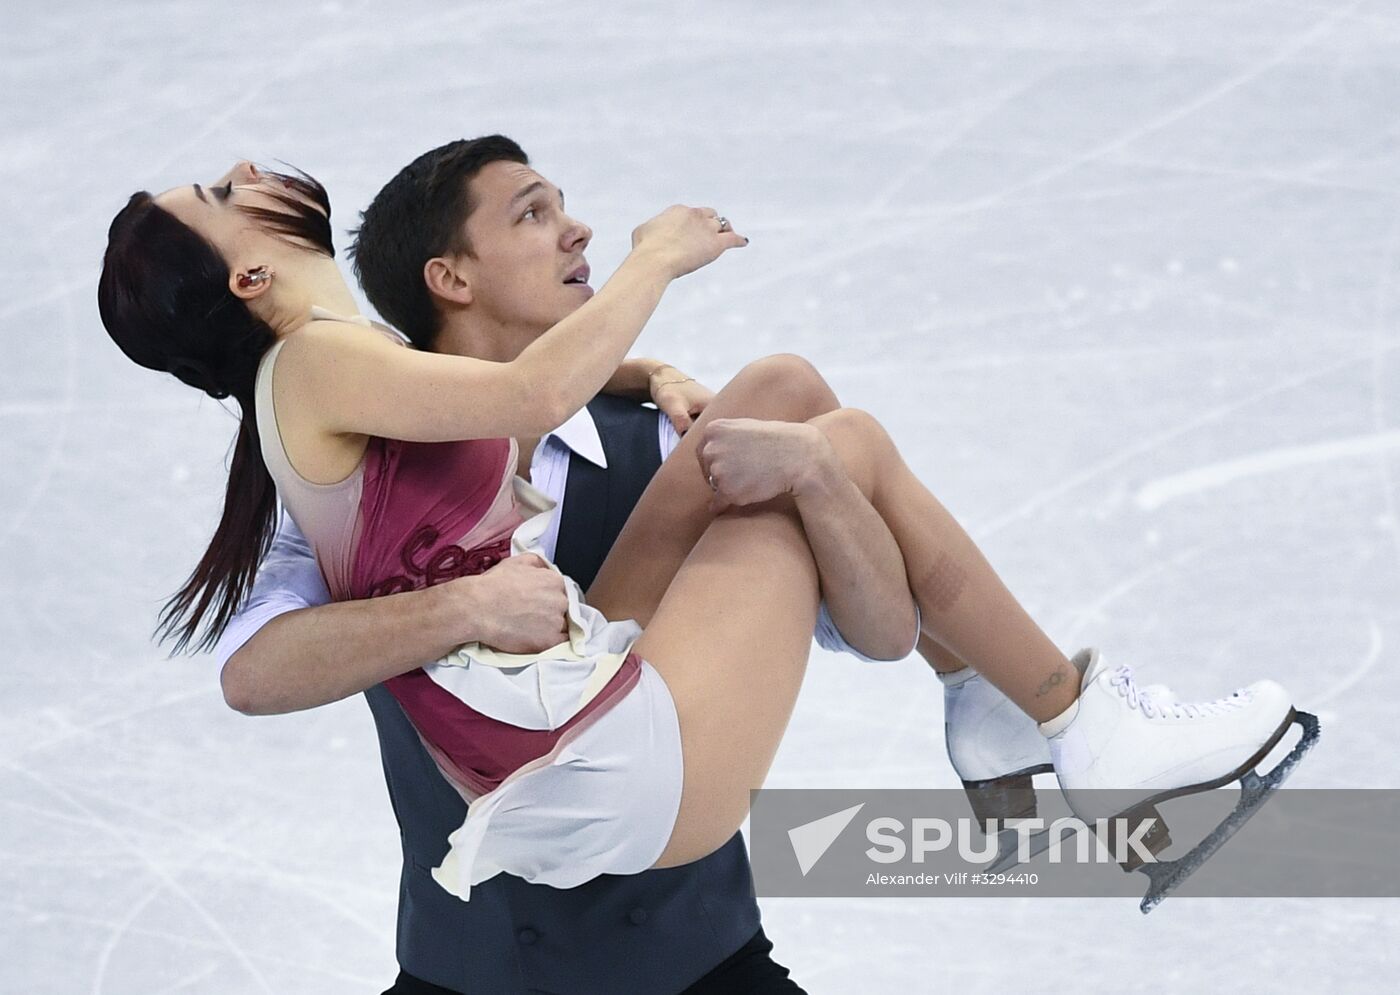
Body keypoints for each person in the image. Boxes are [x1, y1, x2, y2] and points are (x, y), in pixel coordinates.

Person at [97, 141, 1308, 991]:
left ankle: (1002, 704)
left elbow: (877, 622)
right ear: (446, 277)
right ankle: (1056, 715)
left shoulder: (421, 390)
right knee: (838, 437)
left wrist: (725, 426)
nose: (572, 228)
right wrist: (657, 260)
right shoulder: (324, 395)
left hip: (667, 909)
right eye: (531, 213)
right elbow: (517, 400)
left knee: (786, 401)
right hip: (528, 889)